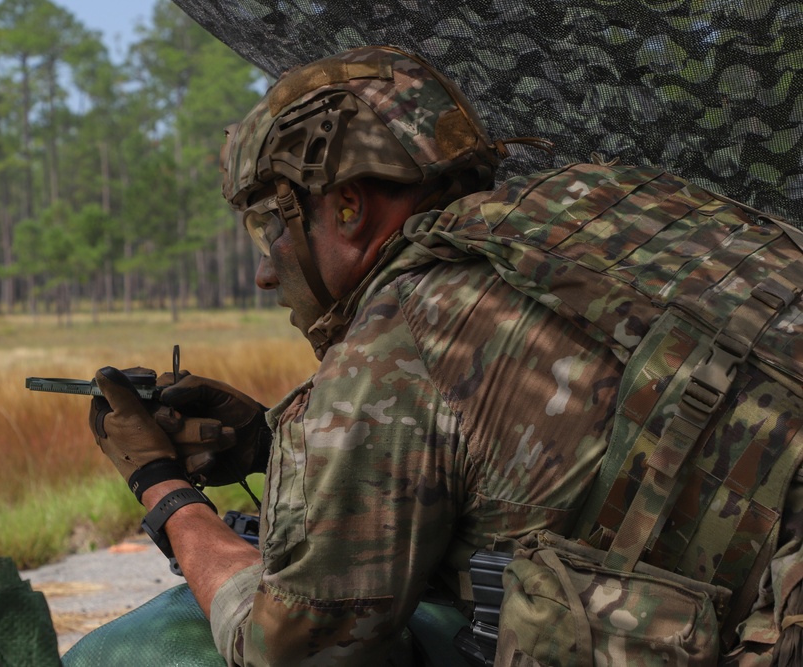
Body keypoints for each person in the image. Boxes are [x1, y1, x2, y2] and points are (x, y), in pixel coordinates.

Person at [82, 45, 803, 667]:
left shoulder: (405, 334)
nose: (268, 270)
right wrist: (273, 443)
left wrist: (166, 494)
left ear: (347, 207)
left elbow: (295, 644)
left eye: (272, 225)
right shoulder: (598, 212)